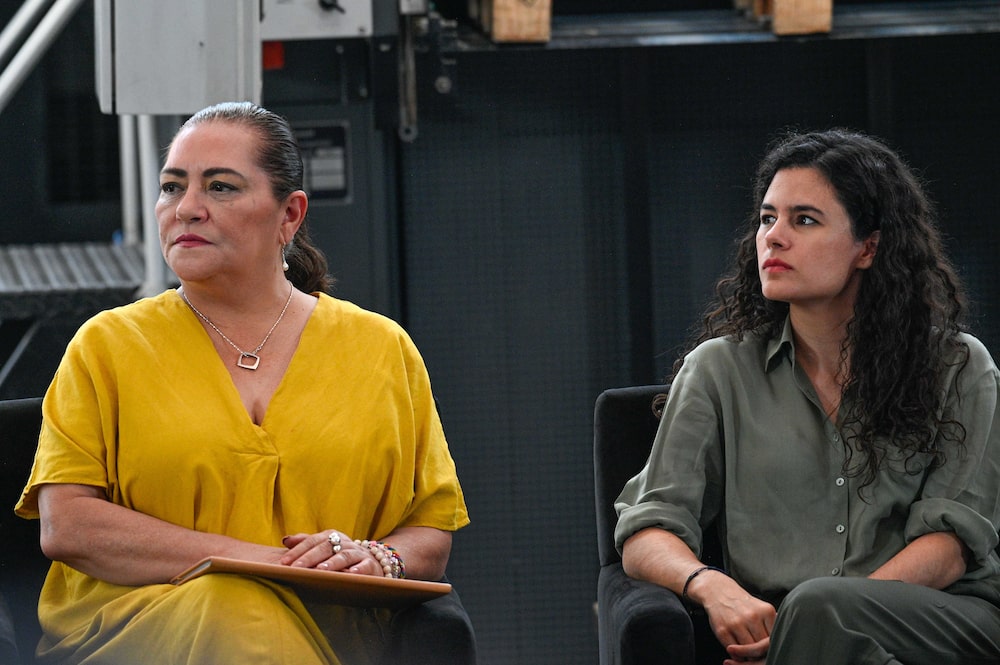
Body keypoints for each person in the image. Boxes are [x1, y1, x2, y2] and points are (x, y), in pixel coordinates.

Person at [14, 101, 470, 665]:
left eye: (221, 188)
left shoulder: (381, 348)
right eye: (171, 187)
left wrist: (379, 560)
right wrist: (255, 564)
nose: (186, 209)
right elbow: (68, 527)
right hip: (137, 632)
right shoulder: (105, 345)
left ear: (290, 215)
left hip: (337, 636)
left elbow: (430, 529)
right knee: (233, 601)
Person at [614, 129, 1000, 665]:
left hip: (943, 621)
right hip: (800, 635)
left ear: (869, 247)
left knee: (822, 608)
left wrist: (823, 619)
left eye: (805, 220)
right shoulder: (719, 370)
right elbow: (645, 528)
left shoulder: (960, 366)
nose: (774, 237)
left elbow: (951, 548)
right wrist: (709, 585)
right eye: (768, 218)